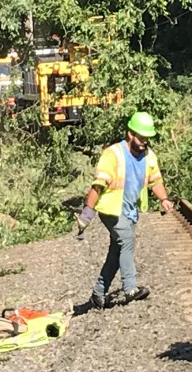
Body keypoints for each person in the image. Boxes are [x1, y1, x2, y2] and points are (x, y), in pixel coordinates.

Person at [75, 111, 175, 308]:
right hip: (111, 209)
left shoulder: (149, 156)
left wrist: (164, 199)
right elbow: (98, 185)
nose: (145, 142)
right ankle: (130, 289)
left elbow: (156, 181)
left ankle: (98, 293)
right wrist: (87, 213)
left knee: (116, 250)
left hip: (129, 210)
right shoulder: (113, 154)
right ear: (130, 134)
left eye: (147, 138)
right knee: (127, 240)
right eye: (141, 137)